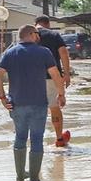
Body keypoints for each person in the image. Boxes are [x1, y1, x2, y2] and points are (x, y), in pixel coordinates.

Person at [0, 25, 64, 181]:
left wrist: (3, 98)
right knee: (37, 139)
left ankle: (20, 176)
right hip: (38, 103)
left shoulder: (10, 53)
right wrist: (61, 94)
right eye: (37, 34)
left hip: (16, 104)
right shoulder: (44, 52)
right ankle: (34, 178)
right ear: (31, 34)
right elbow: (55, 75)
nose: (38, 37)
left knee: (20, 137)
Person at [34, 16, 72, 147]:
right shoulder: (53, 34)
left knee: (36, 109)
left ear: (36, 24)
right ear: (47, 24)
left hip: (32, 79)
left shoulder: (28, 35)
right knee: (54, 108)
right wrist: (66, 74)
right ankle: (59, 139)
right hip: (52, 77)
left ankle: (36, 141)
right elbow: (63, 53)